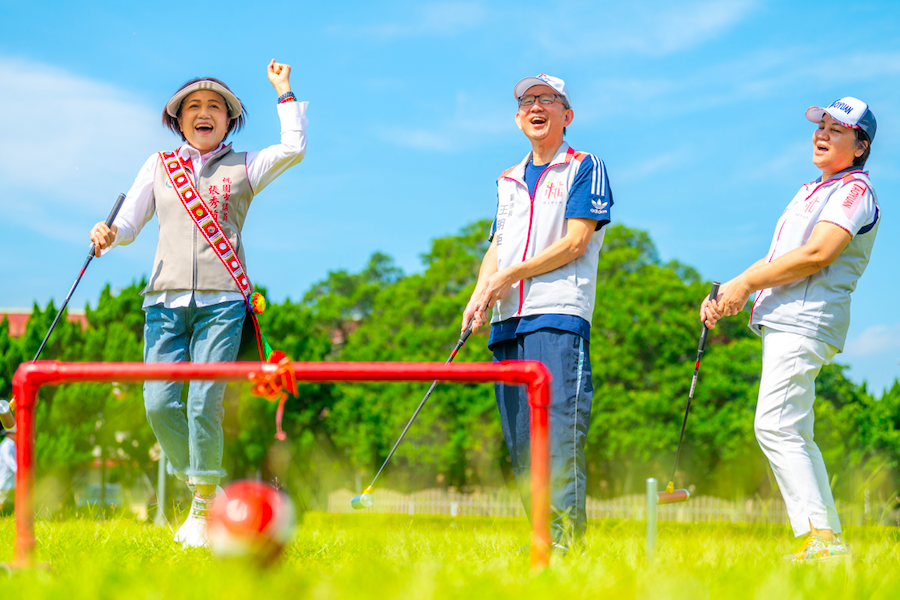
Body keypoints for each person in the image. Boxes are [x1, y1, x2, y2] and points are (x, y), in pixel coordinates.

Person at [89, 60, 307, 548]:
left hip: (223, 302)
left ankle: (204, 504)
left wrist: (284, 92)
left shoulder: (245, 166)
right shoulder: (158, 166)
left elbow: (294, 147)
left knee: (205, 401)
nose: (204, 113)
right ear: (178, 119)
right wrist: (108, 233)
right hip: (163, 302)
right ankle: (205, 483)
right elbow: (127, 224)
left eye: (215, 107)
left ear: (229, 120)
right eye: (194, 107)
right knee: (158, 402)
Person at [701, 97, 879, 562]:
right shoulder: (809, 192)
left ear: (860, 147)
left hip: (806, 319)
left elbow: (817, 255)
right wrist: (731, 290)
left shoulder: (854, 191)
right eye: (820, 126)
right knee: (790, 429)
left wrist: (745, 284)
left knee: (776, 425)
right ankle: (826, 538)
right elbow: (778, 257)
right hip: (784, 319)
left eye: (837, 130)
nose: (822, 134)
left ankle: (824, 539)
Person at [462, 74, 612, 551]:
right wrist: (481, 291)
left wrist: (509, 276)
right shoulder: (506, 180)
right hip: (507, 322)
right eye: (528, 100)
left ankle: (567, 550)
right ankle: (543, 545)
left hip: (558, 318)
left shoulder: (586, 167)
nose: (536, 106)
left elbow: (575, 242)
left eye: (548, 99)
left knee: (558, 440)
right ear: (517, 117)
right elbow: (498, 248)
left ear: (567, 116)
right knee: (522, 447)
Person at [0, 424, 15, 513]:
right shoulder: (6, 446)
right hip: (5, 482)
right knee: (2, 503)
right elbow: (11, 463)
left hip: (11, 482)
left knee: (9, 505)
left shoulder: (12, 445)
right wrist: (22, 471)